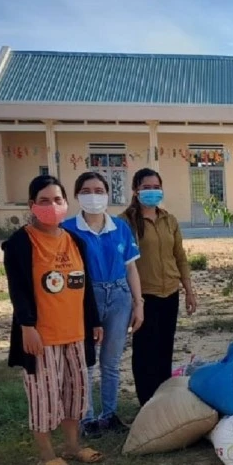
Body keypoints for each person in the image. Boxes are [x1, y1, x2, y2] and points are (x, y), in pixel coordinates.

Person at [1, 175, 104, 465]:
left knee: (75, 393)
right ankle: (47, 454)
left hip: (75, 334)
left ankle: (73, 446)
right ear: (32, 205)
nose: (52, 206)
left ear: (65, 203)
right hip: (42, 337)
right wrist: (27, 327)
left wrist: (94, 321)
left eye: (57, 200)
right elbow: (17, 289)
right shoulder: (21, 243)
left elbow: (85, 287)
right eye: (44, 201)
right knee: (44, 396)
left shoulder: (75, 241)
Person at [62, 172, 144, 438]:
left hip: (119, 296)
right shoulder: (67, 230)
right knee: (86, 360)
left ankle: (108, 415)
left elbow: (131, 268)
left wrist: (138, 303)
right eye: (87, 190)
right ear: (76, 195)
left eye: (99, 190)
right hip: (85, 298)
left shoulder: (120, 228)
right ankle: (87, 418)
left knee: (111, 361)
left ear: (108, 194)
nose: (94, 196)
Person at [122, 168, 197, 406]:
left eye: (156, 187)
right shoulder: (125, 222)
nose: (152, 191)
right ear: (135, 190)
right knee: (145, 351)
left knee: (165, 348)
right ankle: (146, 403)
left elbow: (180, 256)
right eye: (146, 187)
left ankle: (163, 402)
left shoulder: (169, 220)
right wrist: (133, 300)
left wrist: (189, 290)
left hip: (170, 294)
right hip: (143, 297)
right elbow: (124, 261)